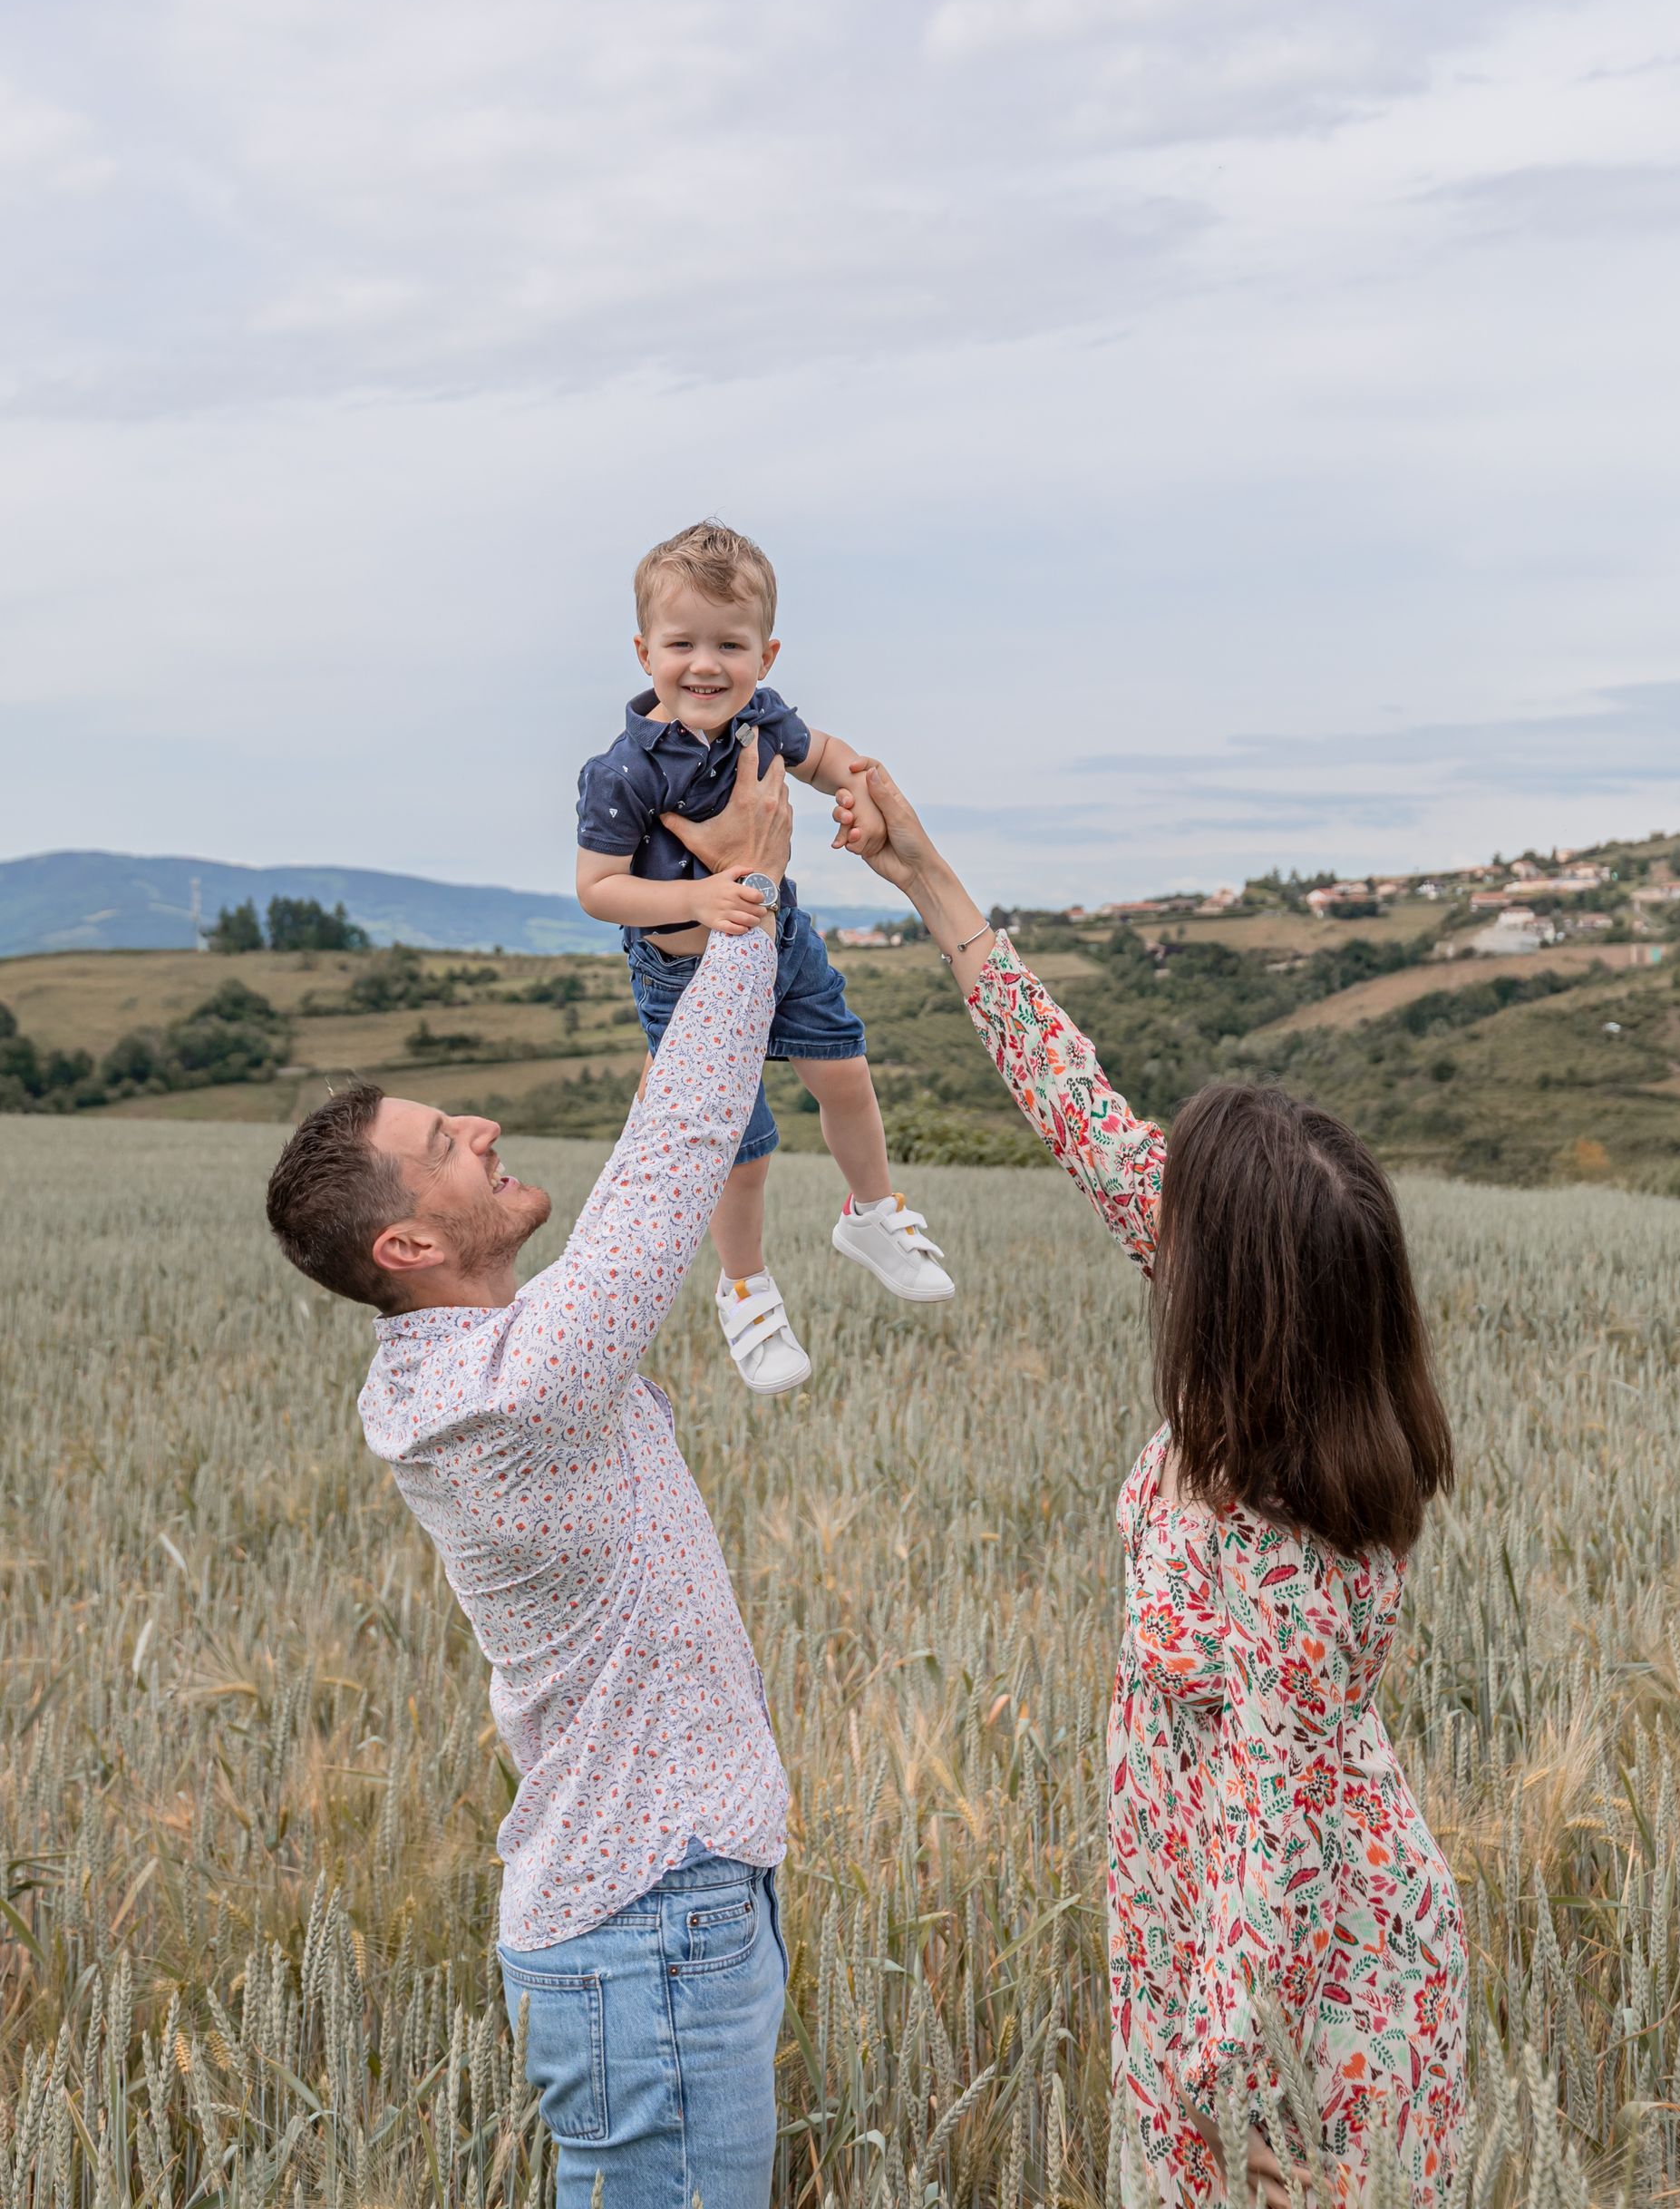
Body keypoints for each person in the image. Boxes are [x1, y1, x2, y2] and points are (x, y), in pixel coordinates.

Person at [831, 761, 1468, 2209]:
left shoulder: (1299, 1562)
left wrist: (1226, 2081)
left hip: (1307, 1992)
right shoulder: (1268, 1358)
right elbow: (1075, 1099)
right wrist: (927, 875)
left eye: (1184, 1200)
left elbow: (1280, 1846)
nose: (1153, 1195)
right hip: (1196, 1906)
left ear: (1234, 1296)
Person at [264, 743, 799, 2209]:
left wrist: (698, 922)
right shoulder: (514, 1391)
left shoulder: (466, 1370)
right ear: (408, 1249)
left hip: (666, 1906)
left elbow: (655, 1142)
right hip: (650, 1927)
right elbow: (673, 1152)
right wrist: (750, 889)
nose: (482, 1125)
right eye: (444, 1143)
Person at [573, 517, 955, 1396]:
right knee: (739, 1146)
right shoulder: (622, 772)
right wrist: (696, 899)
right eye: (682, 643)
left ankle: (872, 1213)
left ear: (766, 654)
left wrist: (859, 790)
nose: (705, 665)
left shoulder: (761, 722)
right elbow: (597, 889)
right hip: (683, 974)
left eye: (729, 645)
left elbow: (821, 756)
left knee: (847, 1072)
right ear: (643, 653)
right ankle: (744, 1291)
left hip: (778, 940)